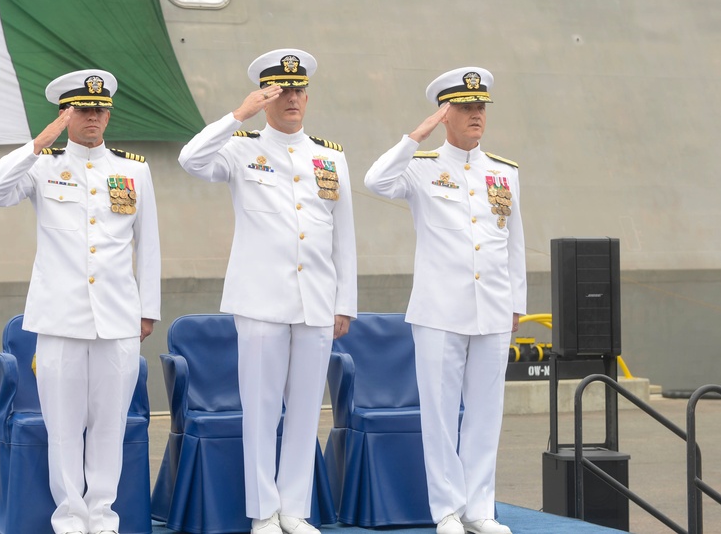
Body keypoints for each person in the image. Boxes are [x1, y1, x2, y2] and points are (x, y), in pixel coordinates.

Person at [178, 49, 357, 534]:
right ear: (265, 95)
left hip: (316, 300)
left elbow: (343, 234)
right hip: (260, 301)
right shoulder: (240, 148)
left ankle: (294, 510)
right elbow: (190, 160)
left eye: (298, 89)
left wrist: (345, 303)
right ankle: (263, 512)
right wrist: (239, 114)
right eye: (281, 91)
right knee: (260, 410)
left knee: (303, 411)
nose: (292, 98)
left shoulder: (330, 157)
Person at [0, 69, 161, 534]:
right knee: (61, 424)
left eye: (100, 109)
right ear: (67, 113)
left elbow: (150, 244)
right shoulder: (43, 166)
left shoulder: (133, 169)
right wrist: (41, 141)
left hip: (118, 317)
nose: (94, 116)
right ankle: (69, 517)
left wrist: (148, 308)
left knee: (108, 424)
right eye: (83, 109)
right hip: (59, 317)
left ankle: (102, 514)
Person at [364, 67, 525, 534]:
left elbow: (513, 241)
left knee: (485, 415)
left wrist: (516, 302)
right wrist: (416, 136)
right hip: (440, 311)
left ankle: (480, 510)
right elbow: (376, 181)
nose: (477, 115)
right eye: (467, 107)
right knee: (438, 415)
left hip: (493, 308)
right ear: (446, 112)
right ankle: (447, 512)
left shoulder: (504, 172)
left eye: (481, 107)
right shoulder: (420, 167)